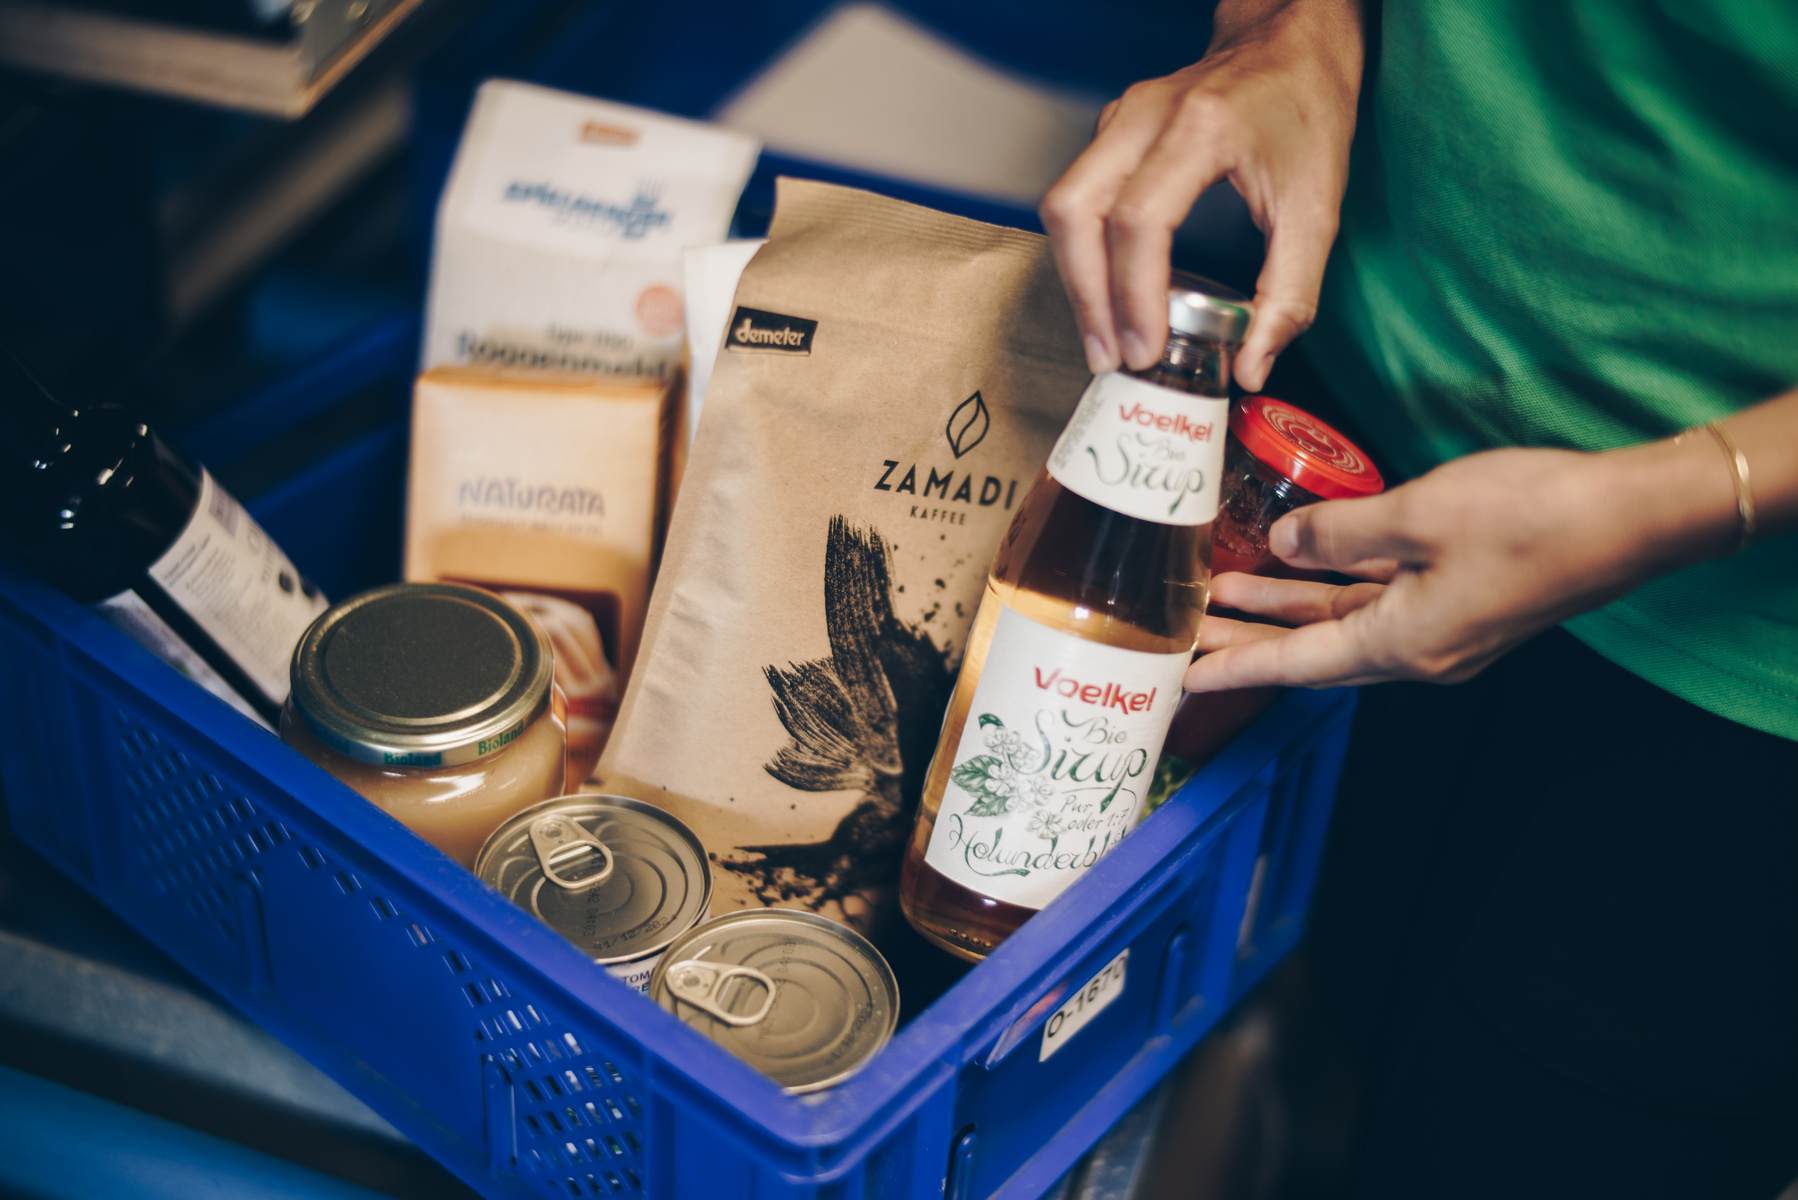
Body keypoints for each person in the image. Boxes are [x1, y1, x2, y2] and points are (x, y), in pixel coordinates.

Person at [1039, 1, 1797, 1196]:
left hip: (1741, 662)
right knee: (1306, 969)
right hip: (1351, 394)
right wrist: (1286, 28)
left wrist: (1689, 494)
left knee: (1527, 1135)